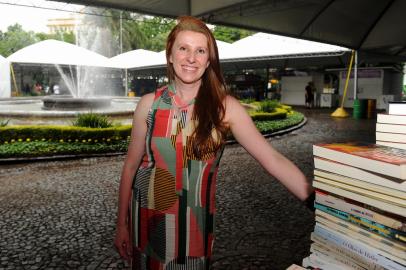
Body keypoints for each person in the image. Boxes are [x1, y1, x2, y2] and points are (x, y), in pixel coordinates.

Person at [114, 16, 314, 269]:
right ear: (170, 55)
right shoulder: (149, 105)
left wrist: (315, 199)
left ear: (208, 61)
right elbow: (131, 167)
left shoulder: (224, 108)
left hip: (193, 229)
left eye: (200, 51)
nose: (191, 58)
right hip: (146, 224)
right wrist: (121, 224)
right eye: (183, 48)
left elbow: (271, 159)